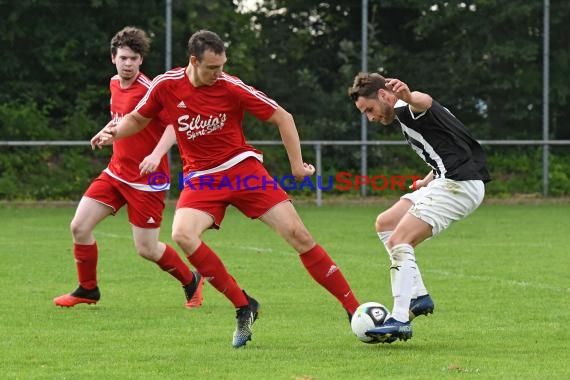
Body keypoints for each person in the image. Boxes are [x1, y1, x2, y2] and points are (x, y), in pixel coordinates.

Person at [92, 29, 361, 348]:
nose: (219, 73)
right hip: (202, 179)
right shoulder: (166, 85)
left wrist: (297, 166)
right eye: (212, 68)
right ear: (193, 61)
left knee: (298, 236)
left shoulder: (230, 86)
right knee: (182, 234)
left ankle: (355, 310)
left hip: (242, 171)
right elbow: (138, 119)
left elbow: (283, 117)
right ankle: (244, 305)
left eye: (222, 66)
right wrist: (114, 133)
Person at [54, 26, 204, 310]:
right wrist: (106, 131)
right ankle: (88, 289)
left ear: (140, 61)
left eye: (134, 59)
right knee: (79, 227)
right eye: (123, 58)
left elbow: (175, 124)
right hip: (116, 172)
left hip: (147, 179)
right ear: (113, 57)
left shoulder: (150, 90)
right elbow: (120, 118)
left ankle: (191, 280)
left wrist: (156, 155)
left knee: (146, 249)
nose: (128, 64)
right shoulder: (113, 83)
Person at [348, 73, 491, 343]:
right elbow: (447, 144)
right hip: (445, 179)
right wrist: (427, 179)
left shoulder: (407, 108)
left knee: (401, 240)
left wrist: (409, 95)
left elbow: (423, 102)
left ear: (384, 95)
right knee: (386, 223)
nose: (370, 117)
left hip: (460, 185)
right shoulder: (405, 113)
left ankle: (400, 318)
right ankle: (418, 296)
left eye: (370, 109)